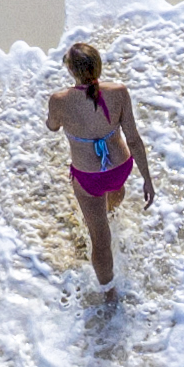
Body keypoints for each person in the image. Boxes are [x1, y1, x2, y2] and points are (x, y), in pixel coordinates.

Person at [44, 37, 151, 286]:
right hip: (119, 168)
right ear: (98, 66)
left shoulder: (59, 100)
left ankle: (108, 292)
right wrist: (147, 179)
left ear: (71, 71)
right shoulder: (119, 92)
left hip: (89, 176)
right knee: (114, 193)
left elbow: (52, 126)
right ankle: (110, 210)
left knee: (100, 241)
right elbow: (134, 139)